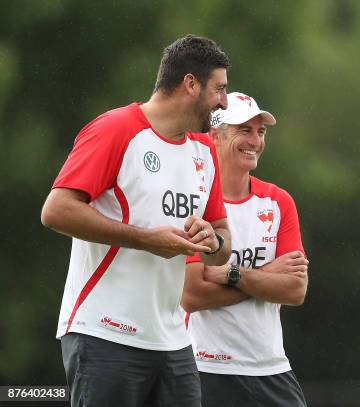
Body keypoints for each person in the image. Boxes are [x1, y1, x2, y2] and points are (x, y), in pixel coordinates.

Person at [40, 35, 232, 407]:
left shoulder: (204, 149)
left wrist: (212, 241)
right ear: (191, 84)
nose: (224, 102)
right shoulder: (115, 129)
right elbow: (56, 210)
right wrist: (146, 239)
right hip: (104, 334)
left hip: (174, 344)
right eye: (220, 89)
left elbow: (222, 246)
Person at [181, 92, 309, 407]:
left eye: (260, 131)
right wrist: (266, 277)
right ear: (214, 136)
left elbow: (295, 289)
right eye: (244, 130)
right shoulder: (193, 200)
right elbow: (194, 295)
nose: (255, 140)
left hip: (271, 366)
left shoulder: (279, 202)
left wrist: (232, 274)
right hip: (205, 366)